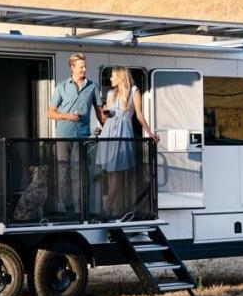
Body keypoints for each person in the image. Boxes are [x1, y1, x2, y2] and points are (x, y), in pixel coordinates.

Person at [96, 67, 159, 216]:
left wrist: (150, 133)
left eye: (112, 76)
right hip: (109, 132)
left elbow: (139, 115)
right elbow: (109, 115)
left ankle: (108, 210)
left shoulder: (134, 91)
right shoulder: (111, 93)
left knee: (117, 175)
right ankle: (112, 210)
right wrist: (106, 114)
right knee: (112, 175)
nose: (110, 79)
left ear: (120, 77)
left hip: (123, 131)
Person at [47, 53, 103, 218]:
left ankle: (82, 209)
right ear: (72, 68)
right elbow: (50, 113)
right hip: (63, 136)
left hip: (82, 136)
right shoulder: (62, 86)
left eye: (85, 66)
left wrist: (107, 121)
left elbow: (100, 112)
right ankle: (69, 208)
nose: (85, 69)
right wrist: (66, 116)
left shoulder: (93, 87)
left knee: (81, 172)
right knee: (63, 172)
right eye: (81, 67)